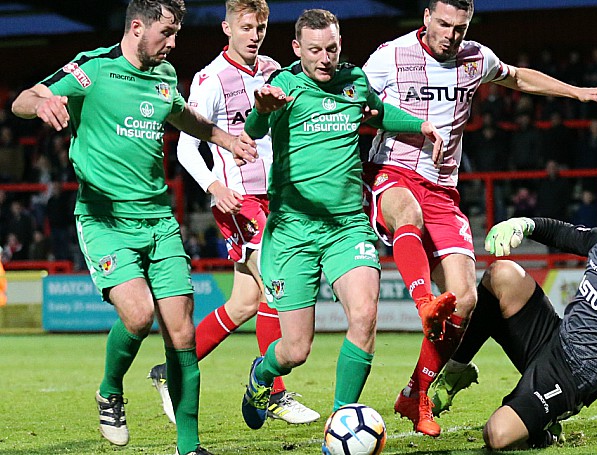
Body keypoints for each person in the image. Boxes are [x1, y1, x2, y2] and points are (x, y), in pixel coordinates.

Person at [361, 0, 597, 436]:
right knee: (408, 213)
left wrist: (576, 92)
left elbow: (517, 78)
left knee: (465, 299)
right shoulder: (390, 56)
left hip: (444, 190)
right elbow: (353, 99)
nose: (451, 34)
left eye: (460, 26)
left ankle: (418, 394)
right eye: (443, 23)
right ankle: (424, 302)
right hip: (394, 172)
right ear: (425, 17)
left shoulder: (476, 58)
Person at [10, 1, 254, 453]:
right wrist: (42, 104)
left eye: (176, 32)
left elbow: (184, 117)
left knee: (181, 333)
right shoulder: (94, 68)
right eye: (166, 32)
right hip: (105, 220)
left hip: (158, 220)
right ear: (137, 27)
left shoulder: (163, 78)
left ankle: (189, 446)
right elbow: (24, 99)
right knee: (139, 316)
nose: (174, 42)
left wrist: (226, 139)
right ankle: (110, 390)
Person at [236, 9, 444, 435]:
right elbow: (254, 129)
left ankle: (342, 419)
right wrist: (260, 108)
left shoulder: (354, 81)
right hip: (293, 232)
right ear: (297, 49)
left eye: (331, 48)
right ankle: (262, 375)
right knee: (295, 349)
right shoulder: (284, 87)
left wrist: (421, 125)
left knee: (365, 314)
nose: (325, 58)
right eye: (314, 50)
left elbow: (378, 111)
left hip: (347, 227)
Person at [147, 0, 319, 426]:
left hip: (276, 198)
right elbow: (187, 143)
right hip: (238, 199)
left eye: (260, 26)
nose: (255, 34)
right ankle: (272, 393)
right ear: (227, 28)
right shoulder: (210, 79)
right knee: (277, 287)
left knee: (245, 302)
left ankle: (169, 373)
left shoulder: (274, 70)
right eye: (246, 27)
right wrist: (214, 186)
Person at [430, 193, 597, 450]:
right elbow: (561, 232)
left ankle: (545, 431)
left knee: (497, 436)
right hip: (552, 337)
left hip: (571, 378)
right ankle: (455, 373)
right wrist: (523, 224)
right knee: (502, 273)